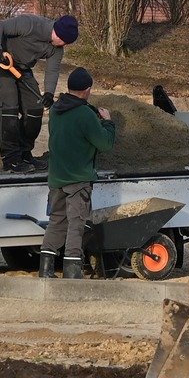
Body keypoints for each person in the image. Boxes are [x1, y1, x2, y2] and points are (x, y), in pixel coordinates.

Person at [42, 67, 115, 279]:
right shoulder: (85, 113)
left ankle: (45, 268)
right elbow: (105, 143)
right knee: (76, 223)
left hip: (56, 178)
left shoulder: (56, 110)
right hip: (78, 179)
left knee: (56, 220)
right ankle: (72, 271)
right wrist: (108, 122)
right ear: (87, 90)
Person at [0, 12, 78, 172]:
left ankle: (24, 153)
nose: (63, 44)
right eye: (63, 39)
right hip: (0, 64)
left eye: (67, 42)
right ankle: (11, 159)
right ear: (56, 30)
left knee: (35, 109)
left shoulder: (57, 49)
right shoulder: (30, 23)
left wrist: (49, 93)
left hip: (22, 69)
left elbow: (53, 70)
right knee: (9, 108)